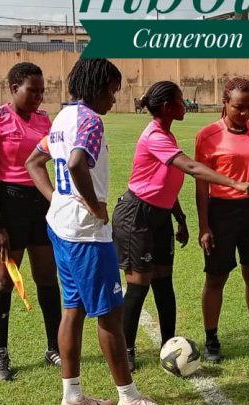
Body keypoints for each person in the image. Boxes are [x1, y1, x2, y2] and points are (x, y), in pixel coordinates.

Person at [25, 59, 155, 405]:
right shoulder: (91, 121)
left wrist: (58, 199)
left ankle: (72, 396)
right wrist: (96, 206)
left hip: (61, 226)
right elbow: (77, 162)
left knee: (73, 309)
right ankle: (129, 397)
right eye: (112, 92)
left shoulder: (62, 118)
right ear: (97, 88)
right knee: (111, 315)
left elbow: (34, 162)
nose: (114, 100)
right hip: (86, 233)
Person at [113, 81, 249, 372]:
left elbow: (163, 183)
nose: (184, 104)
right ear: (166, 107)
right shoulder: (154, 135)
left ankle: (169, 343)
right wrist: (234, 183)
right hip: (136, 216)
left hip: (160, 216)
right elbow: (190, 168)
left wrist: (180, 218)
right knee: (138, 285)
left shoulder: (167, 134)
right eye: (179, 101)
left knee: (164, 281)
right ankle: (126, 350)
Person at [0, 62, 62, 381]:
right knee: (3, 281)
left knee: (46, 277)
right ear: (14, 88)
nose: (39, 96)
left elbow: (55, 157)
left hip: (40, 203)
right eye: (32, 90)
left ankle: (54, 347)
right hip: (9, 204)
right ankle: (0, 357)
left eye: (42, 90)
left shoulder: (43, 120)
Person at [196, 77, 249, 363]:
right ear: (225, 103)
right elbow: (201, 187)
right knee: (216, 277)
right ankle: (211, 341)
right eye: (238, 107)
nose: (244, 113)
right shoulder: (208, 136)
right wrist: (204, 226)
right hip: (222, 212)